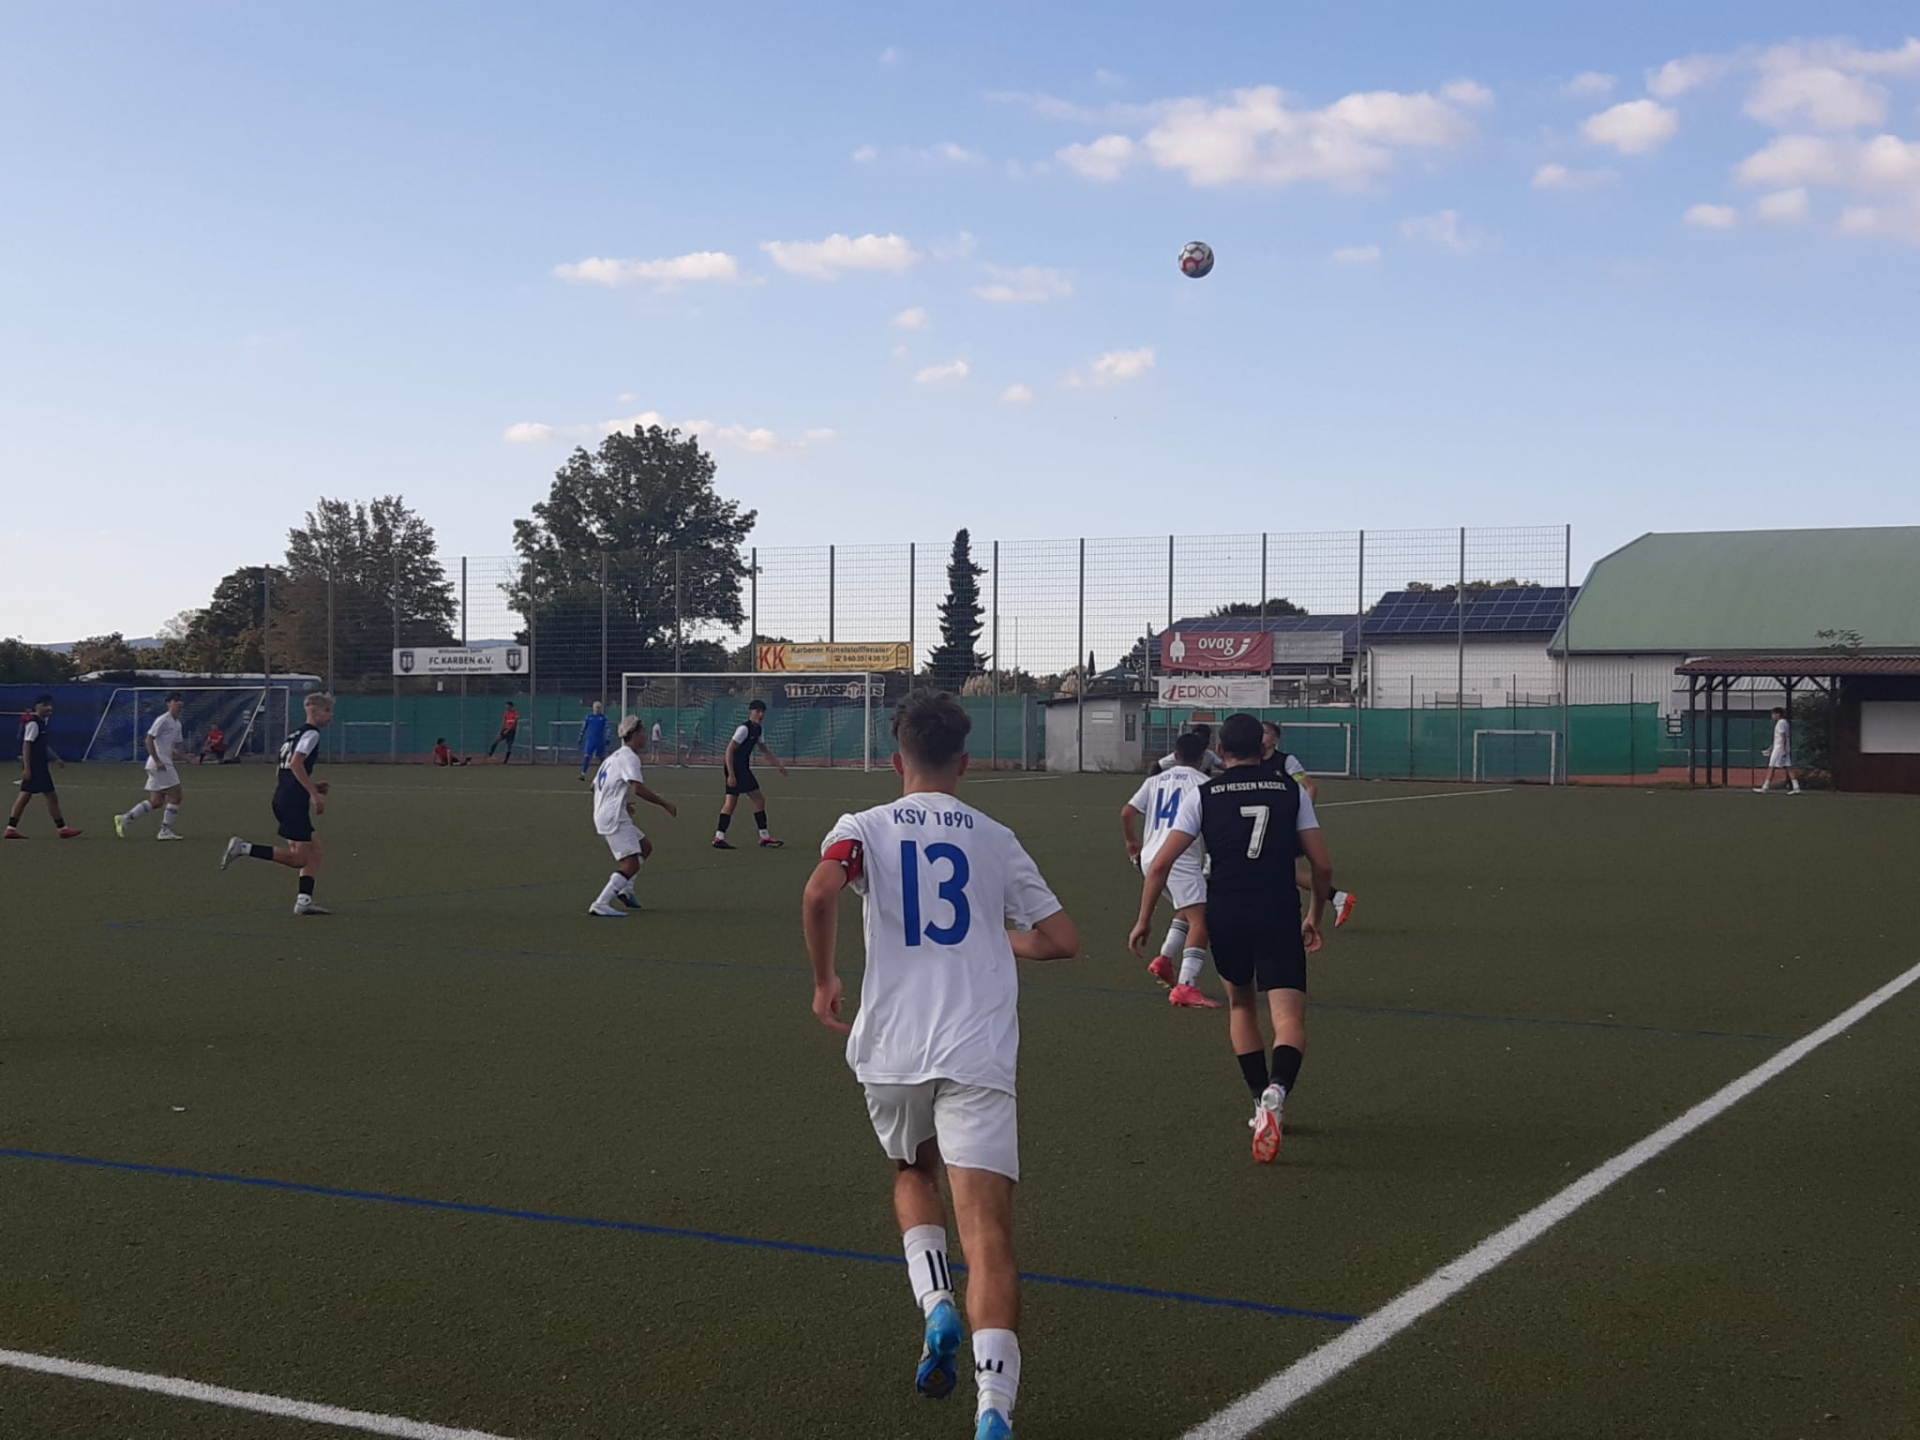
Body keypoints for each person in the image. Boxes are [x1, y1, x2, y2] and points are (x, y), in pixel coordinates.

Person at [803, 690, 1079, 1440]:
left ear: (898, 761)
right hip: (976, 1050)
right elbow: (1061, 939)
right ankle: (994, 1407)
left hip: (893, 1048)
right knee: (988, 1233)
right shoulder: (996, 838)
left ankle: (936, 1305)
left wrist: (826, 980)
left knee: (912, 1173)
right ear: (965, 762)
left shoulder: (862, 827)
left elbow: (821, 891)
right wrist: (994, 936)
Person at [1130, 712, 1333, 1164]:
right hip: (1278, 911)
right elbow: (1322, 866)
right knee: (1288, 1017)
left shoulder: (1204, 794)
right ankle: (1278, 1089)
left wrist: (1144, 919)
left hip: (1226, 913)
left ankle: (1260, 1100)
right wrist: (1315, 915)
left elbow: (1160, 864)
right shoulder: (1290, 790)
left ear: (1220, 752)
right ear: (1264, 749)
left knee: (1241, 1006)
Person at [1119, 731, 1219, 1009]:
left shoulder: (1155, 780)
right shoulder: (1204, 783)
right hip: (1179, 858)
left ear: (1175, 755)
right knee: (1202, 919)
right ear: (1203, 757)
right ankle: (1186, 985)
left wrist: (1131, 842)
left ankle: (1164, 959)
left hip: (1150, 857)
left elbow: (1127, 812)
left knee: (1189, 908)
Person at [221, 693, 335, 915]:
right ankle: (243, 848)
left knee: (315, 851)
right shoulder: (311, 733)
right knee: (299, 859)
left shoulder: (294, 735)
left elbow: (282, 770)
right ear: (314, 711)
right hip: (293, 802)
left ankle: (303, 901)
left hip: (284, 797)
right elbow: (296, 763)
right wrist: (313, 794)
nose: (331, 716)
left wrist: (310, 785)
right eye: (327, 711)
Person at [1260, 721, 1356, 928]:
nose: (1260, 736)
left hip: (1284, 825)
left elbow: (1309, 787)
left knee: (1289, 872)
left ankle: (1336, 898)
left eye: (1265, 732)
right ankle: (1338, 897)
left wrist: (1302, 817)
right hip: (1265, 824)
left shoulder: (1286, 761)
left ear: (1275, 739)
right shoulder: (1252, 761)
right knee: (1284, 872)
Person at [587, 716, 678, 916]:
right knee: (631, 864)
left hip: (608, 813)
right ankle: (601, 903)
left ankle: (625, 889)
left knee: (645, 846)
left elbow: (594, 786)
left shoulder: (613, 757)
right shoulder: (629, 757)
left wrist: (622, 802)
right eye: (643, 732)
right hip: (613, 818)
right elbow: (637, 788)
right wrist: (664, 804)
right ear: (635, 735)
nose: (645, 736)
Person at [713, 700, 788, 850]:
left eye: (763, 712)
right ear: (751, 712)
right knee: (756, 799)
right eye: (757, 711)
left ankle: (719, 838)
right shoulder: (744, 729)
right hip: (736, 769)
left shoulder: (758, 729)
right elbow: (729, 750)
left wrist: (778, 765)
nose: (760, 715)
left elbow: (764, 749)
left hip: (742, 769)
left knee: (734, 803)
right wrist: (731, 774)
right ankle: (764, 837)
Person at [115, 691, 188, 840]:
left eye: (180, 700)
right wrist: (157, 760)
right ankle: (165, 831)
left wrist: (189, 758)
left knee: (156, 801)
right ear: (168, 703)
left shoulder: (177, 724)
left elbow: (176, 748)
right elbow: (149, 740)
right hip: (160, 764)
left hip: (160, 763)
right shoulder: (163, 720)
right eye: (175, 700)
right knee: (176, 796)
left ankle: (125, 818)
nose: (179, 703)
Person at [6, 696, 81, 839]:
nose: (49, 708)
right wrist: (27, 768)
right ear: (36, 707)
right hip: (36, 767)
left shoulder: (41, 723)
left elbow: (43, 745)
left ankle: (11, 828)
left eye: (50, 705)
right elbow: (26, 746)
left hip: (39, 766)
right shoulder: (34, 724)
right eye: (45, 705)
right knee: (49, 796)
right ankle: (62, 829)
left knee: (27, 796)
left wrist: (56, 758)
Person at [1756, 706, 1802, 795]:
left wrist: (1783, 750)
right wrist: (1770, 749)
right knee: (1788, 767)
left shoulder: (1781, 723)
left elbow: (1783, 737)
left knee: (1771, 767)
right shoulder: (1784, 722)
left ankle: (1765, 788)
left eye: (1773, 714)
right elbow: (1778, 739)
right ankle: (1796, 788)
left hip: (1779, 750)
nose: (1772, 716)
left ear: (1778, 714)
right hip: (1781, 748)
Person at [1154, 722, 1221, 775]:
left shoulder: (1209, 755)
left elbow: (1223, 766)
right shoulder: (1181, 754)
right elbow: (1157, 766)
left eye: (1205, 738)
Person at [578, 701, 610, 781]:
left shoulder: (604, 718)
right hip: (591, 740)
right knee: (587, 756)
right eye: (596, 707)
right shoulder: (589, 717)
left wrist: (607, 738)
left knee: (602, 758)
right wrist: (581, 736)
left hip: (600, 740)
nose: (597, 709)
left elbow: (608, 728)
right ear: (593, 708)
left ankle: (606, 774)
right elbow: (584, 727)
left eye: (598, 708)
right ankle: (583, 774)